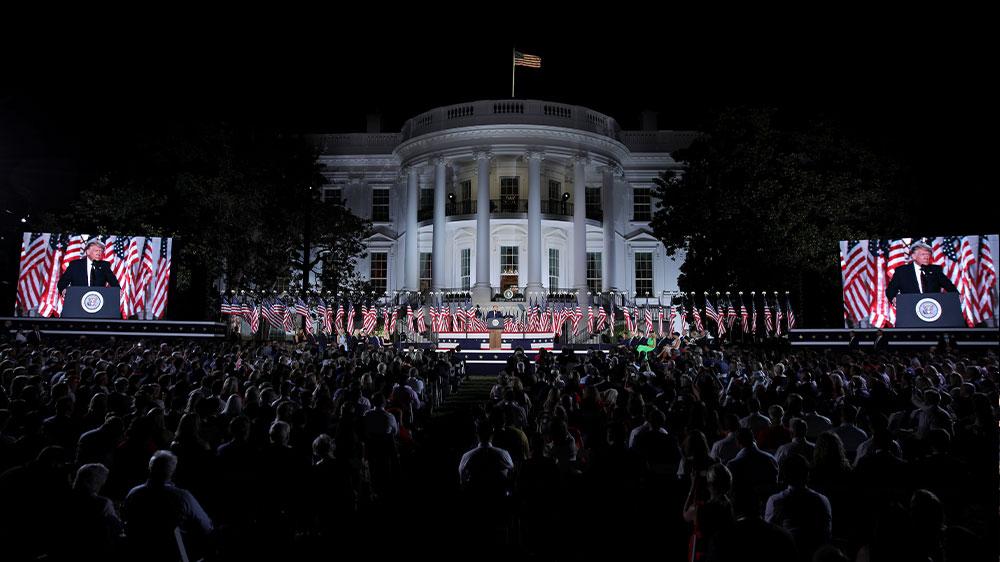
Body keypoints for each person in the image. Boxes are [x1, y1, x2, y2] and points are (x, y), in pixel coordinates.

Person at [885, 241, 957, 301]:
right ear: (914, 256)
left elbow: (949, 286)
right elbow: (891, 290)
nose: (926, 257)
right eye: (923, 254)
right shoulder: (902, 271)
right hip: (910, 307)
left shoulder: (935, 270)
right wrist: (893, 298)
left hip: (932, 307)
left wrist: (957, 295)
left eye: (928, 254)